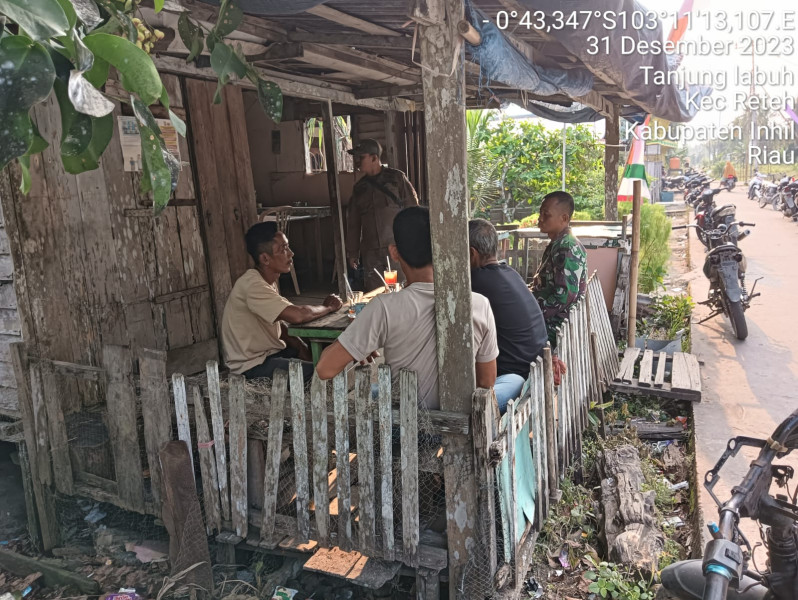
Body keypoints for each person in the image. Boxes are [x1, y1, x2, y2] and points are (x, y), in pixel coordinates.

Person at [317, 206, 498, 409]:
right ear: (442, 246)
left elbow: (325, 369)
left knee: (370, 394)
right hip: (460, 429)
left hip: (406, 429)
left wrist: (357, 340)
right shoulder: (480, 304)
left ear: (394, 253)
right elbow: (487, 382)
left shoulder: (383, 308)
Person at [221, 222, 343, 382]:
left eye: (288, 247)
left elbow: (280, 324)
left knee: (331, 352)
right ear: (265, 258)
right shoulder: (252, 285)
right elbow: (298, 315)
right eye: (283, 249)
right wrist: (328, 307)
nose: (291, 254)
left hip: (272, 354)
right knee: (321, 374)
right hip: (252, 366)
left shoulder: (267, 281)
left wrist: (301, 348)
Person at [469, 219, 549, 412]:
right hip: (533, 370)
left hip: (515, 381)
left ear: (472, 254)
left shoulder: (477, 281)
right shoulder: (510, 273)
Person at [345, 138, 419, 292]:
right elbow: (353, 222)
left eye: (361, 157)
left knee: (402, 289)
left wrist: (413, 242)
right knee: (376, 294)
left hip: (397, 246)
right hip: (371, 251)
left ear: (374, 158)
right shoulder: (359, 188)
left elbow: (413, 210)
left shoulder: (396, 179)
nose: (357, 162)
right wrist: (353, 252)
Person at [530, 191, 588, 380]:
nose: (540, 218)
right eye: (541, 213)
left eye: (546, 214)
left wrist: (533, 314)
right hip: (549, 322)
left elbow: (565, 296)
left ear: (563, 218)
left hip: (554, 327)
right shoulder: (557, 244)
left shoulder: (567, 246)